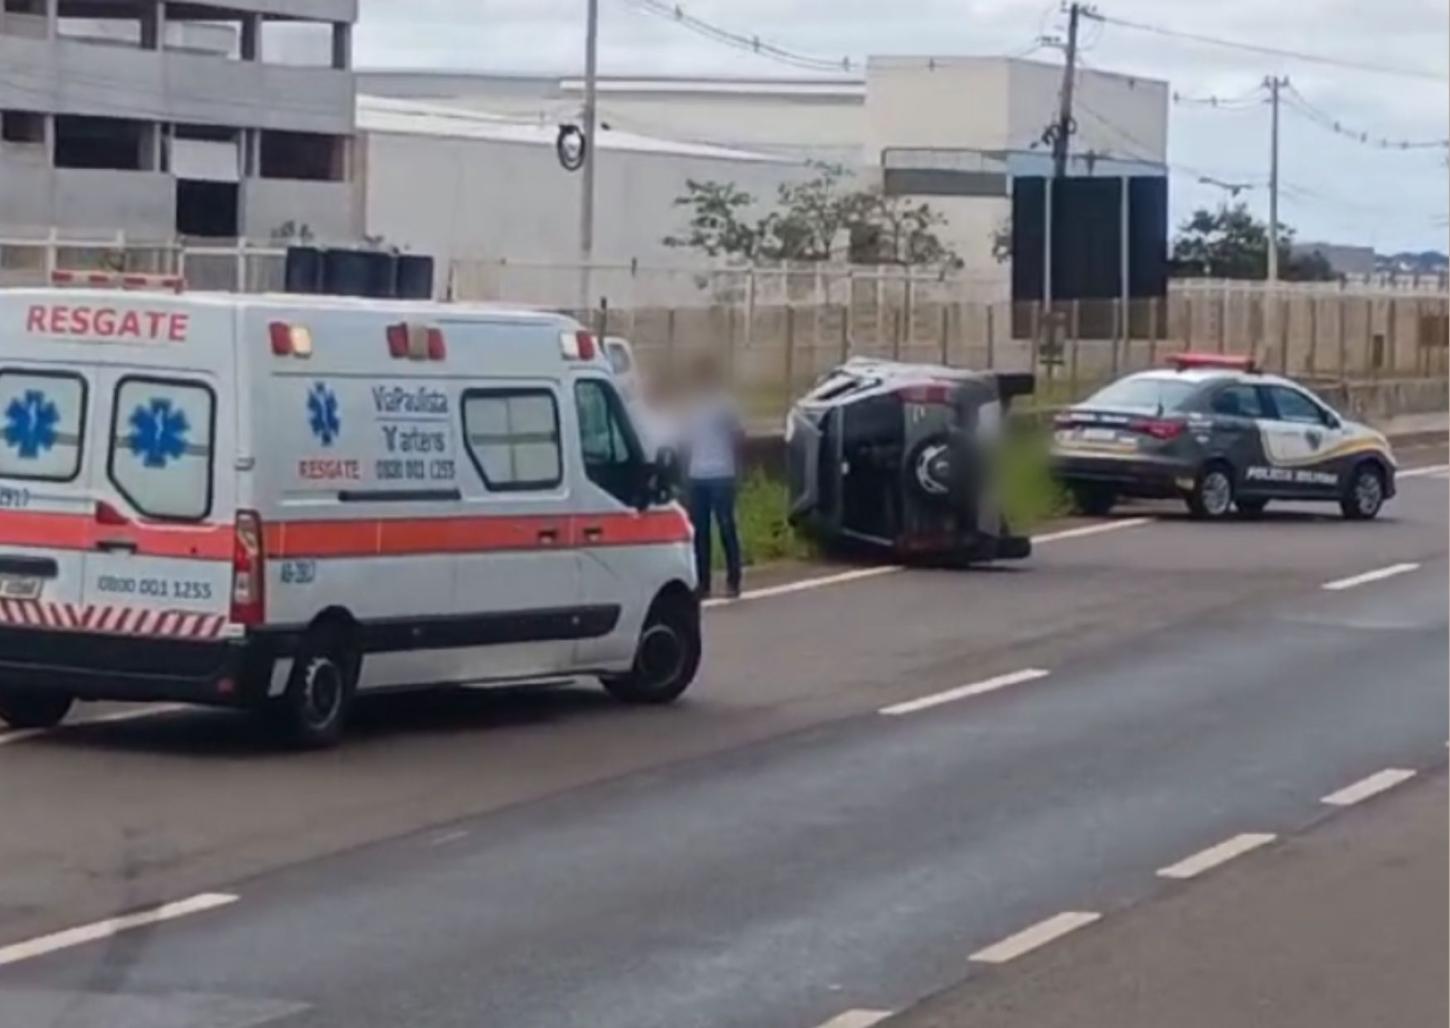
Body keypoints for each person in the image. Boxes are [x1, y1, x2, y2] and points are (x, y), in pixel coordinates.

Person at [681, 354, 743, 600]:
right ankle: (703, 582)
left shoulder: (724, 404)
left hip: (721, 473)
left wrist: (736, 467)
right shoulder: (693, 405)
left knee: (726, 527)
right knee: (700, 532)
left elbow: (738, 436)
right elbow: (687, 439)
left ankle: (733, 579)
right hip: (698, 474)